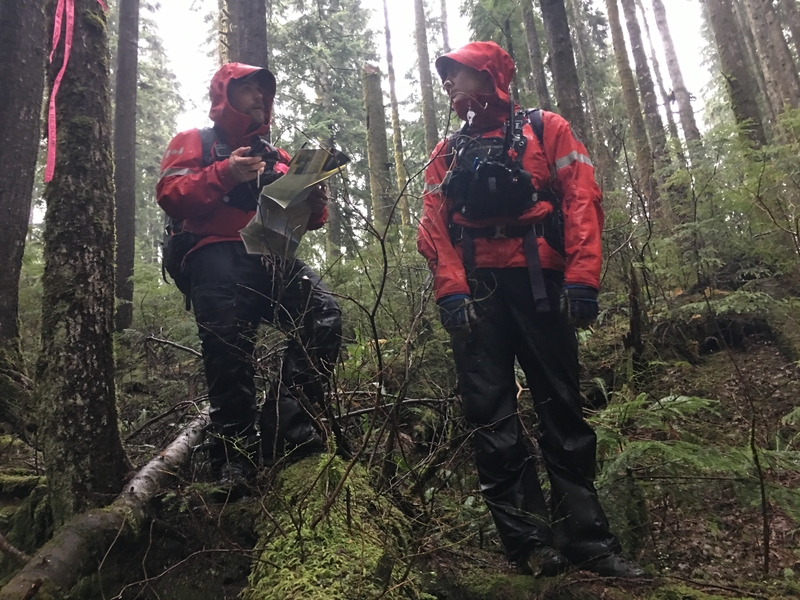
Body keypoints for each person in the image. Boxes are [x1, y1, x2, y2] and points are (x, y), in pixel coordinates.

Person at [417, 41, 646, 578]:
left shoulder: (548, 129)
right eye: (445, 76)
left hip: (542, 283)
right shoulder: (445, 150)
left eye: (460, 74)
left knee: (562, 410)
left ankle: (588, 541)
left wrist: (583, 278)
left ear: (489, 75)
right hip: (477, 294)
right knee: (490, 416)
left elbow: (582, 200)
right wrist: (451, 291)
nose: (449, 85)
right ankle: (529, 546)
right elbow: (433, 226)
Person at [157, 63, 342, 486]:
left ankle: (289, 431)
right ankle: (232, 460)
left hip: (270, 256)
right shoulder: (196, 141)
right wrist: (226, 173)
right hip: (214, 255)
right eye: (251, 89)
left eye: (265, 90)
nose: (261, 97)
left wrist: (315, 200)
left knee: (323, 316)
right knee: (229, 354)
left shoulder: (276, 156)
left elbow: (306, 219)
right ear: (225, 94)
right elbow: (170, 194)